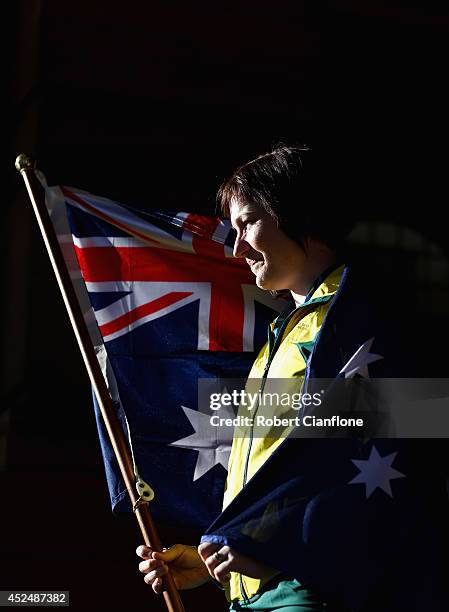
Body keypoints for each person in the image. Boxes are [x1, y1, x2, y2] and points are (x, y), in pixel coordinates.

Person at [136, 145, 449, 611]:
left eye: (248, 223)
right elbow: (300, 458)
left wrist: (282, 545)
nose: (238, 246)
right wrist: (213, 560)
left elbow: (405, 452)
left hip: (315, 590)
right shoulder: (284, 332)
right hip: (259, 590)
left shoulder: (366, 317)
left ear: (298, 213)